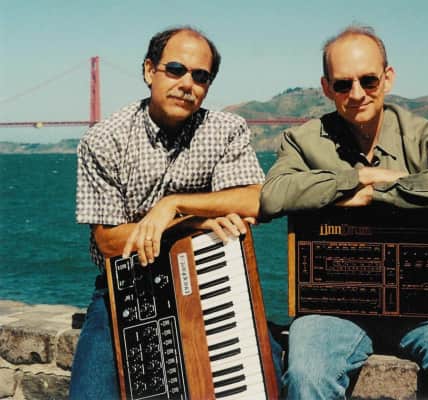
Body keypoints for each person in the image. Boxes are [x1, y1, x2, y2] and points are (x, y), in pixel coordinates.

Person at [259, 25, 428, 399]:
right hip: (333, 310)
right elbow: (273, 194)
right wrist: (355, 178)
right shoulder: (302, 140)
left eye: (369, 80)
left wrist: (383, 189)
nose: (357, 94)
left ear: (387, 78)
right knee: (307, 373)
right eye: (343, 84)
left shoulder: (423, 134)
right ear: (326, 88)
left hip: (427, 309)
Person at [70, 26, 279, 399]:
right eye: (176, 70)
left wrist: (174, 205)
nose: (187, 84)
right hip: (127, 286)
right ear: (149, 70)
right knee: (90, 393)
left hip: (213, 279)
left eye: (200, 77)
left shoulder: (226, 130)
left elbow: (256, 201)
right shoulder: (104, 139)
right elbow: (108, 242)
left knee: (268, 379)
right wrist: (192, 223)